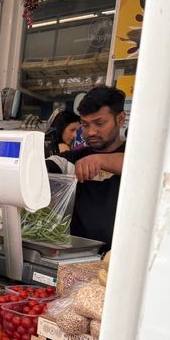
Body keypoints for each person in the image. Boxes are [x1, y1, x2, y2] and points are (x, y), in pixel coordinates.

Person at [47, 86, 126, 251]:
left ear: (120, 119)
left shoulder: (139, 159)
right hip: (78, 256)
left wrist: (99, 160)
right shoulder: (71, 161)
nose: (90, 132)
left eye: (99, 123)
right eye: (85, 124)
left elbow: (137, 166)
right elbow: (44, 166)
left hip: (122, 259)